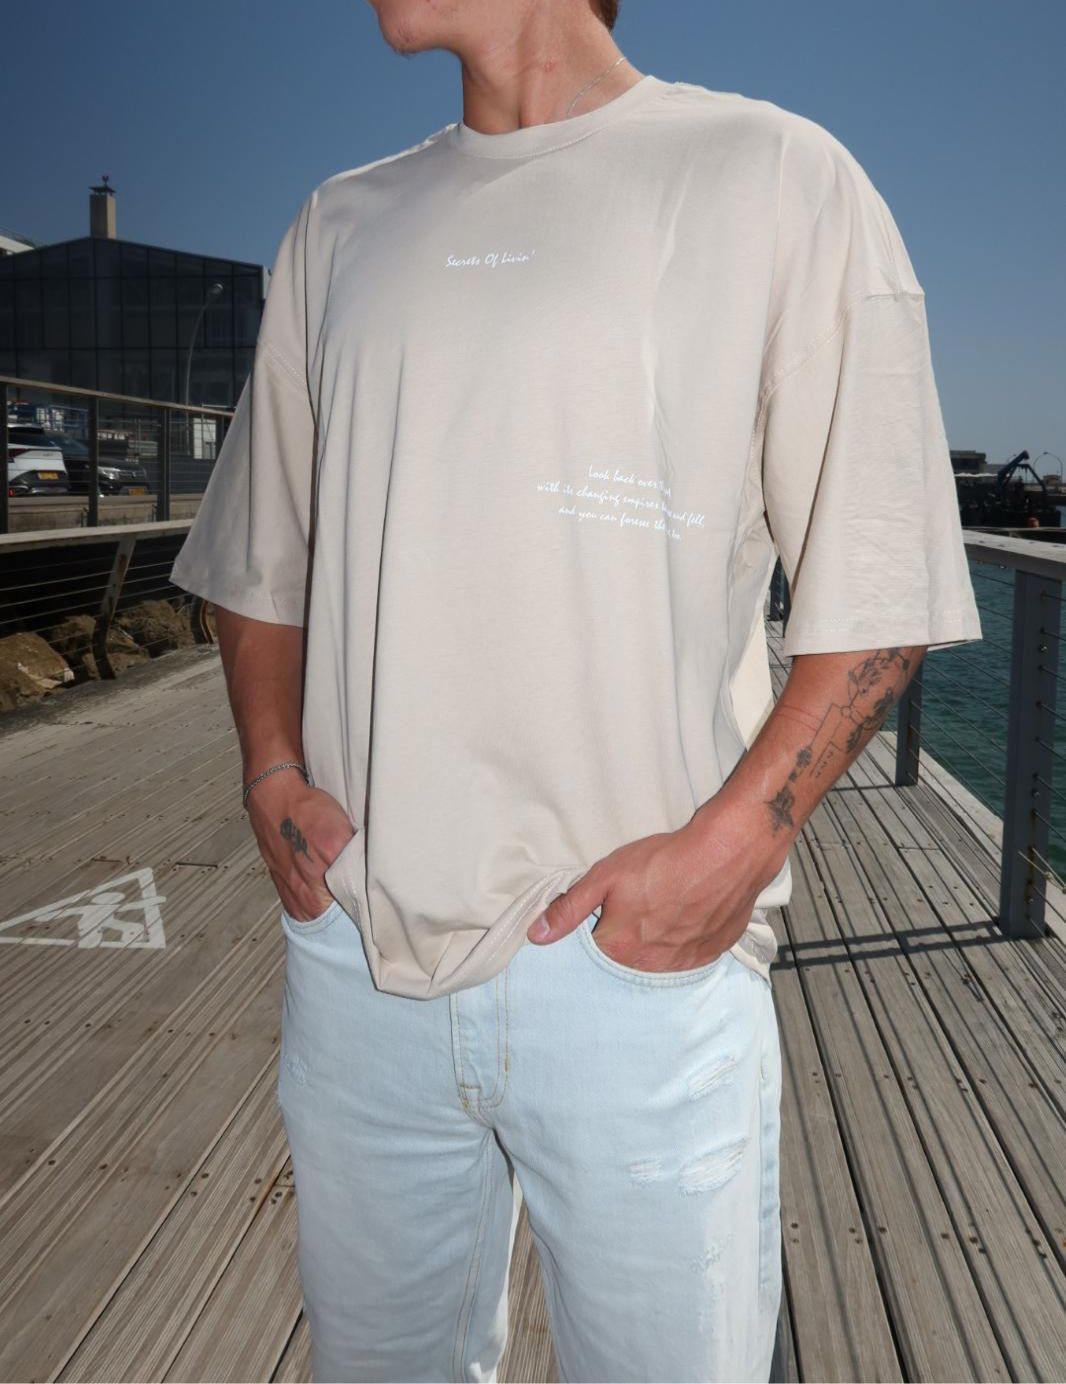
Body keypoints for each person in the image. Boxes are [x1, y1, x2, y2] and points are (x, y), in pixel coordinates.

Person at [170, 1, 983, 1379]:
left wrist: (735, 848)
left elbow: (882, 579)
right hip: (362, 955)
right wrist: (269, 770)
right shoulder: (337, 226)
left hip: (639, 967)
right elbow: (260, 556)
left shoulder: (775, 176)